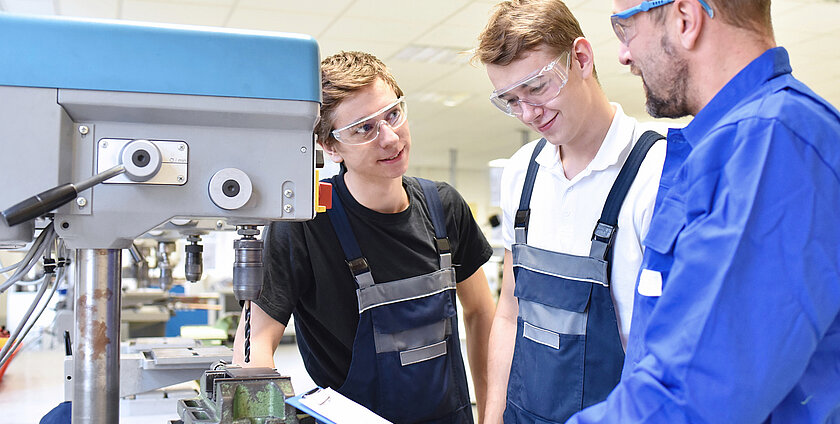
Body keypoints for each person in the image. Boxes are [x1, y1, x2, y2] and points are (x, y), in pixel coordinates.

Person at [566, 0, 840, 423]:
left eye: (625, 29)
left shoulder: (773, 143)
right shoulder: (728, 144)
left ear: (685, 19)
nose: (623, 54)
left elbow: (693, 393)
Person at [232, 51, 495, 424]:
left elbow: (483, 312)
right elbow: (254, 342)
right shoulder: (306, 224)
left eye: (393, 114)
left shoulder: (444, 206)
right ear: (329, 146)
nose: (390, 138)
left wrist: (490, 414)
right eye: (363, 128)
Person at [473, 1, 667, 422]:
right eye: (510, 100)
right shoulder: (522, 172)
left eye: (537, 88)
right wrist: (492, 415)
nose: (528, 114)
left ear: (581, 58)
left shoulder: (655, 173)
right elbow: (509, 313)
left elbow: (666, 349)